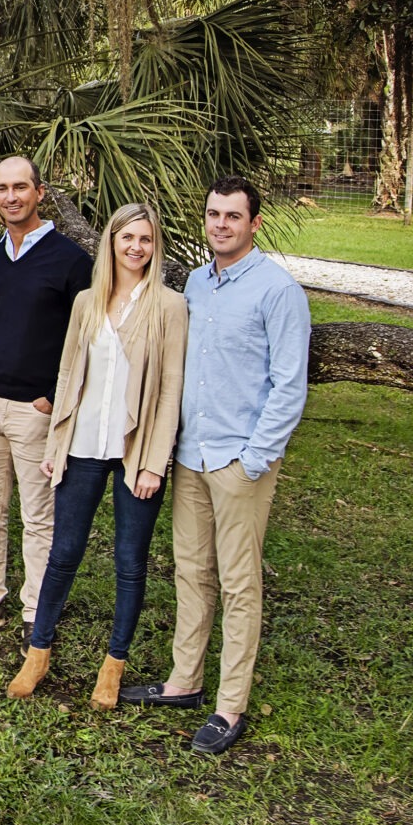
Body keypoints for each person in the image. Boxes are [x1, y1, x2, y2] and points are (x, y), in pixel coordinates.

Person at [124, 178, 309, 756]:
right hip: (190, 455)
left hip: (238, 461)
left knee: (239, 581)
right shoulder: (197, 285)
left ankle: (230, 706)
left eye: (233, 216)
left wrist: (255, 458)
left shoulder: (278, 292)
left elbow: (288, 386)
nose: (221, 224)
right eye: (213, 214)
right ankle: (185, 680)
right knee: (190, 569)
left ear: (254, 223)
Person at [5, 203, 183, 704]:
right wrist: (57, 444)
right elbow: (67, 377)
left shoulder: (169, 307)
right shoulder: (87, 301)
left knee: (130, 561)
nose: (135, 247)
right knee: (64, 553)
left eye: (145, 239)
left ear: (154, 246)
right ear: (111, 242)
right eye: (127, 238)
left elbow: (170, 389)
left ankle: (112, 668)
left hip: (135, 451)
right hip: (83, 444)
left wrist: (155, 462)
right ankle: (37, 654)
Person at [0, 156, 89, 635]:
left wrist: (53, 396)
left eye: (20, 188)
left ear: (40, 193)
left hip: (35, 408)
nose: (11, 197)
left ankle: (35, 609)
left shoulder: (70, 260)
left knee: (37, 514)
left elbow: (85, 337)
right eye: (2, 189)